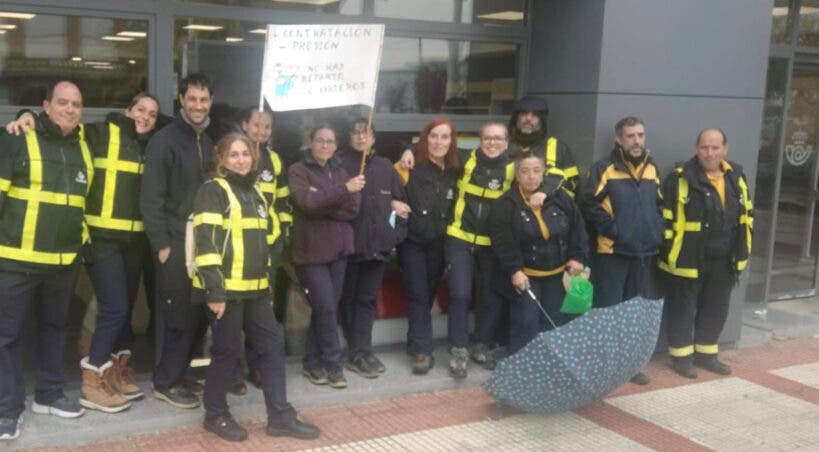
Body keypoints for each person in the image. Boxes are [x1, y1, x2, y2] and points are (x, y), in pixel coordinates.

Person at [4, 93, 163, 412]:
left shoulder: (152, 144)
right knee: (115, 308)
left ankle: (114, 374)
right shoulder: (99, 133)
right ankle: (93, 381)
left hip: (132, 242)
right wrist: (28, 113)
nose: (145, 117)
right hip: (99, 240)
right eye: (140, 110)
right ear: (126, 110)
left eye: (153, 114)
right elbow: (60, 126)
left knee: (123, 311)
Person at [192, 132, 319, 442]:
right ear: (221, 160)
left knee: (273, 347)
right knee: (227, 352)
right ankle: (215, 414)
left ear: (254, 158)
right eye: (233, 154)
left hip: (257, 290)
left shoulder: (258, 194)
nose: (240, 159)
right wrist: (215, 292)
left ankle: (280, 416)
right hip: (226, 291)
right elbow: (205, 244)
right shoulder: (213, 190)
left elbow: (263, 245)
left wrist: (267, 288)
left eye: (245, 154)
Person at [0, 81, 92, 441]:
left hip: (62, 263)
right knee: (8, 337)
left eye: (77, 104)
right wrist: (23, 118)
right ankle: (7, 410)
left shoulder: (84, 146)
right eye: (63, 103)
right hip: (15, 262)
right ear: (46, 106)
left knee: (56, 330)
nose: (70, 109)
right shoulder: (17, 139)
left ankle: (49, 394)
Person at [140, 73, 214, 408]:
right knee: (178, 317)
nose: (198, 106)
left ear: (210, 102)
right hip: (174, 243)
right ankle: (165, 382)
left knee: (197, 315)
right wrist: (162, 245)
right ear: (182, 100)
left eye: (204, 100)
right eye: (192, 99)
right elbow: (150, 198)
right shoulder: (165, 140)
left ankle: (181, 374)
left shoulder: (208, 141)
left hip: (201, 246)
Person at [659, 128, 752, 378]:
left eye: (715, 147)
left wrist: (741, 252)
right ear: (696, 149)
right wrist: (669, 255)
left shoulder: (737, 177)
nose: (709, 153)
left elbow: (746, 218)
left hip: (724, 257)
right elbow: (665, 220)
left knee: (716, 307)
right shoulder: (681, 178)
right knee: (683, 308)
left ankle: (707, 355)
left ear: (725, 149)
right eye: (704, 148)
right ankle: (681, 359)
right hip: (688, 257)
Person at [580, 116, 664, 385]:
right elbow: (589, 204)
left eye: (640, 135)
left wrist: (656, 230)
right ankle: (605, 366)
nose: (637, 141)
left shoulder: (652, 168)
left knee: (633, 315)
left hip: (644, 253)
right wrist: (615, 231)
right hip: (613, 253)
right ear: (619, 139)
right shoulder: (604, 168)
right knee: (608, 313)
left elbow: (660, 205)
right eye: (630, 136)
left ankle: (630, 366)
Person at [289, 125, 364, 389]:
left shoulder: (341, 171)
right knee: (326, 307)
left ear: (335, 145)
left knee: (326, 308)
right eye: (319, 140)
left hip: (339, 252)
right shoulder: (298, 170)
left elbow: (353, 209)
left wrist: (323, 202)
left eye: (330, 141)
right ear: (310, 142)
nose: (324, 145)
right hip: (311, 254)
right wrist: (341, 191)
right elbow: (306, 204)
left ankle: (311, 362)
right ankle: (334, 364)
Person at [488, 155, 588, 353]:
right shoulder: (505, 204)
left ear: (543, 175)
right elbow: (503, 243)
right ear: (517, 176)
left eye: (536, 171)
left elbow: (578, 228)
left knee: (556, 322)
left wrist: (578, 257)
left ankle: (550, 366)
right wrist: (514, 270)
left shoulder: (559, 197)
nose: (531, 176)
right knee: (526, 323)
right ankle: (522, 371)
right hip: (527, 276)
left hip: (560, 274)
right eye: (524, 171)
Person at [338, 118, 408, 378]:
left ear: (374, 138)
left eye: (365, 132)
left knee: (367, 301)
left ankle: (364, 351)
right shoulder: (340, 165)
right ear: (348, 138)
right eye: (354, 132)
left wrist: (393, 236)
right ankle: (355, 353)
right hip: (349, 248)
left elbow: (401, 203)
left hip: (377, 248)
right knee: (348, 302)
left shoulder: (385, 166)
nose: (360, 137)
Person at [444, 122, 514, 378]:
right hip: (459, 238)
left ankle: (481, 344)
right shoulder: (464, 158)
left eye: (498, 138)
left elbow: (546, 176)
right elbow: (433, 148)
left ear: (507, 142)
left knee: (489, 297)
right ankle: (459, 349)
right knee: (460, 294)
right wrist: (408, 152)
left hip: (492, 245)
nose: (492, 143)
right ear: (479, 140)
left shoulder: (515, 168)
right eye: (487, 138)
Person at [236, 107, 293, 391]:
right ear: (244, 125)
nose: (262, 131)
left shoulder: (274, 160)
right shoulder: (232, 154)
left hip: (267, 246)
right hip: (236, 247)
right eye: (257, 125)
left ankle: (257, 367)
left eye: (267, 126)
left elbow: (283, 201)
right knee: (235, 310)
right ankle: (232, 371)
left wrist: (282, 232)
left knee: (263, 312)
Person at [399, 118, 460, 375]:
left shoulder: (457, 167)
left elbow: (488, 154)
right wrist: (409, 149)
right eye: (433, 136)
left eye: (444, 137)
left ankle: (415, 342)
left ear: (452, 141)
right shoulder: (410, 164)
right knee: (417, 293)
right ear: (425, 138)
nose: (438, 142)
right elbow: (390, 190)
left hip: (440, 242)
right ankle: (423, 352)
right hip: (412, 241)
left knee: (427, 293)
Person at [507, 95, 580, 196]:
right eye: (524, 114)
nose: (528, 118)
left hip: (544, 208)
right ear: (516, 117)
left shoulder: (558, 148)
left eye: (535, 115)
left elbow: (572, 185)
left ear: (542, 120)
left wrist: (549, 197)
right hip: (506, 208)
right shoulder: (500, 145)